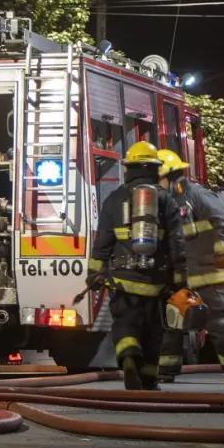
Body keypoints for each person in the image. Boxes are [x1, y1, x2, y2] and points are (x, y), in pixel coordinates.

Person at [86, 141, 187, 391]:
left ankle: (129, 358)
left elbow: (103, 240)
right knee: (154, 331)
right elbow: (176, 242)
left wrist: (94, 272)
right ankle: (150, 378)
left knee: (125, 325)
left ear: (128, 168)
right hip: (157, 282)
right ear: (155, 168)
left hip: (123, 279)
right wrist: (180, 278)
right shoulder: (166, 200)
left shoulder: (115, 197)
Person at [155, 149, 224, 385]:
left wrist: (220, 253)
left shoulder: (196, 194)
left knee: (217, 320)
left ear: (170, 175)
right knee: (172, 319)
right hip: (184, 272)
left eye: (158, 178)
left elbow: (222, 219)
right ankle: (166, 370)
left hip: (209, 272)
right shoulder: (168, 200)